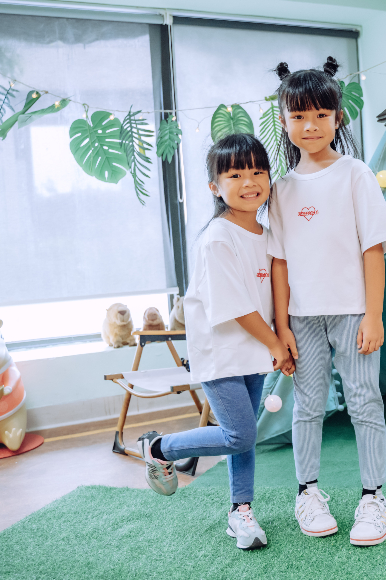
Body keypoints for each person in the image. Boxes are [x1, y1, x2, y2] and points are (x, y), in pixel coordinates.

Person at [137, 133, 295, 551]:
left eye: (258, 171)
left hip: (254, 350)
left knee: (242, 433)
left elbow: (275, 287)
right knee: (240, 435)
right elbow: (236, 307)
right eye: (236, 174)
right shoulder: (217, 238)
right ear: (215, 186)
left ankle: (240, 511)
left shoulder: (266, 232)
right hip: (222, 352)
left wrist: (280, 337)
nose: (250, 182)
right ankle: (158, 447)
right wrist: (276, 343)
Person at [269, 57, 386, 546]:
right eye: (298, 116)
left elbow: (374, 247)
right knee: (307, 406)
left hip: (352, 315)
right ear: (283, 120)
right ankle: (307, 492)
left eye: (321, 114)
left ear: (337, 118)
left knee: (366, 401)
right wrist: (281, 326)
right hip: (301, 320)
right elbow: (279, 264)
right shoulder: (279, 189)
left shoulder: (356, 174)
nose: (310, 125)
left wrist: (373, 314)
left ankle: (373, 497)